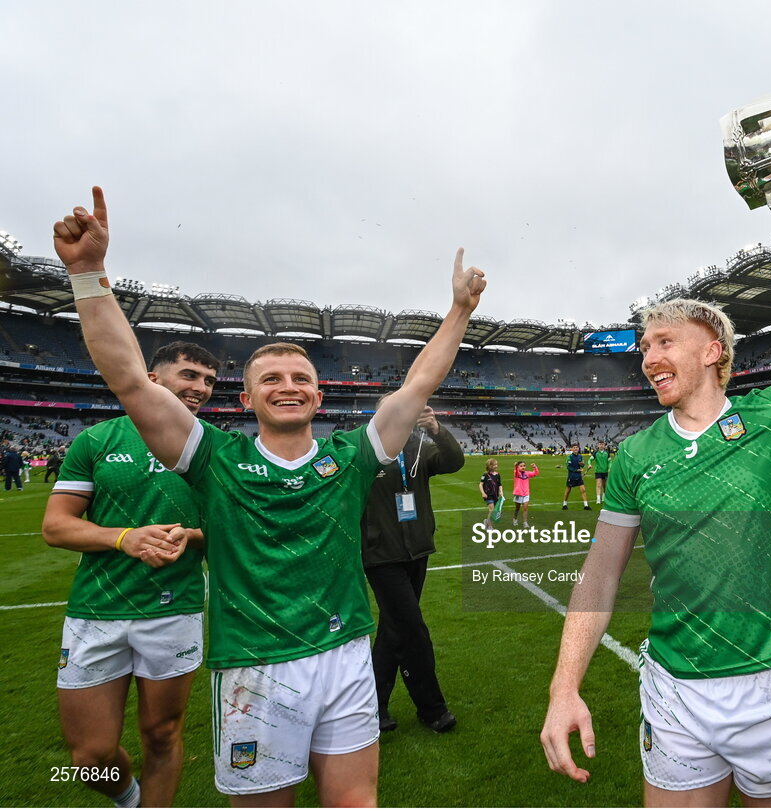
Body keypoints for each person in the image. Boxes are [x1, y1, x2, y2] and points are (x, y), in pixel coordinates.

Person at [52, 186, 486, 806]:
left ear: (317, 397)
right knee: (93, 759)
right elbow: (126, 377)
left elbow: (418, 383)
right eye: (271, 379)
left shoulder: (349, 458)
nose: (288, 386)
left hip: (343, 655)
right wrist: (90, 275)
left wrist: (459, 311)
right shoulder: (213, 458)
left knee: (352, 801)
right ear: (246, 400)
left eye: (301, 379)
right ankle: (124, 794)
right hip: (253, 667)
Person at [541, 168, 771, 807]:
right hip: (675, 690)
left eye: (664, 341)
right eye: (644, 347)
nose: (648, 357)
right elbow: (599, 575)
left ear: (714, 351)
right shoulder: (636, 454)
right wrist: (565, 687)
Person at [42, 341, 220, 808]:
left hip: (173, 609)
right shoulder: (96, 440)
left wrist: (193, 536)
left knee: (161, 735)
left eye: (208, 381)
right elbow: (56, 525)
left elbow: (233, 533)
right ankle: (131, 797)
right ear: (153, 378)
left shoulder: (212, 449)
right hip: (97, 610)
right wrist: (125, 538)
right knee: (88, 757)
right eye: (189, 375)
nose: (200, 388)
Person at [361, 402, 464, 735]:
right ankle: (432, 708)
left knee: (395, 630)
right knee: (413, 629)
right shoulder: (362, 449)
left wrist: (436, 429)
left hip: (417, 550)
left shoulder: (418, 445)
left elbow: (453, 461)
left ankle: (374, 706)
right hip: (381, 555)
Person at [561, 443, 590, 510]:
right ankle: (564, 504)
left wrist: (582, 465)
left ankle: (586, 505)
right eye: (574, 447)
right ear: (571, 449)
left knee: (583, 490)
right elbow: (568, 467)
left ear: (578, 448)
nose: (575, 448)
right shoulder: (569, 457)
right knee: (568, 491)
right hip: (571, 476)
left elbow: (582, 465)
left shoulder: (580, 456)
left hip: (579, 476)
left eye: (576, 447)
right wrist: (576, 470)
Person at [512, 460, 539, 527]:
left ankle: (525, 522)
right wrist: (515, 467)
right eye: (521, 466)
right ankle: (515, 519)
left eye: (524, 466)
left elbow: (535, 473)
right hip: (519, 493)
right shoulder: (517, 473)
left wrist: (534, 467)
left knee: (525, 508)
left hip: (526, 493)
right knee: (517, 508)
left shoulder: (527, 473)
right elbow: (516, 472)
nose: (523, 467)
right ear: (518, 467)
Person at [479, 458, 503, 528]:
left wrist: (501, 492)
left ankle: (487, 521)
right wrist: (483, 493)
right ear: (490, 466)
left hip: (495, 495)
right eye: (494, 465)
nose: (496, 466)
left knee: (494, 511)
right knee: (491, 509)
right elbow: (480, 484)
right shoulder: (485, 475)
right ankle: (490, 526)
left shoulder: (498, 474)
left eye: (496, 464)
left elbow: (499, 484)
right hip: (488, 495)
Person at [591, 440, 612, 504]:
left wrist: (609, 467)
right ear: (598, 445)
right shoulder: (595, 452)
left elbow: (610, 462)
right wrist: (589, 464)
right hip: (598, 471)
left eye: (602, 444)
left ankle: (604, 496)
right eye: (600, 444)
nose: (601, 445)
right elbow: (590, 460)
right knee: (598, 484)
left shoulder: (607, 453)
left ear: (604, 445)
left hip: (605, 471)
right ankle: (598, 499)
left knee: (605, 485)